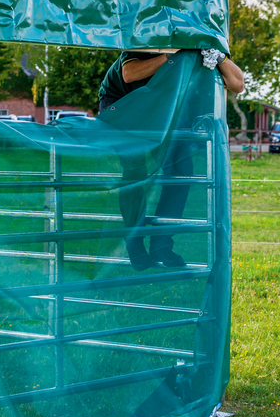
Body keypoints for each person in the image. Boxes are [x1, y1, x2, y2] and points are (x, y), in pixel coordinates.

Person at [99, 48, 245, 270]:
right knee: (135, 170)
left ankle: (162, 244)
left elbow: (238, 84)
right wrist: (171, 56)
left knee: (182, 169)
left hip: (163, 109)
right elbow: (129, 73)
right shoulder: (151, 37)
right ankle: (134, 244)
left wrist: (220, 58)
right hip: (122, 105)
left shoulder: (205, 44)